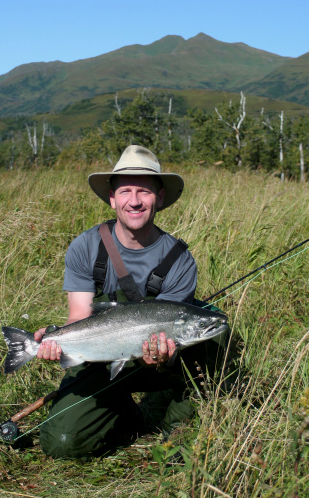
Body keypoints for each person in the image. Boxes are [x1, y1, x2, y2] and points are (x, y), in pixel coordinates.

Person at [34, 145, 222, 458]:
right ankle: (121, 412)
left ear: (160, 198)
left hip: (158, 361)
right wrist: (53, 341)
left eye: (144, 192)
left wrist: (157, 356)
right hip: (97, 354)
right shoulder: (85, 247)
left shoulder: (180, 259)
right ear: (112, 198)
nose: (134, 201)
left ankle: (178, 432)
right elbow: (78, 316)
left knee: (216, 338)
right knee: (62, 443)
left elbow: (169, 336)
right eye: (125, 191)